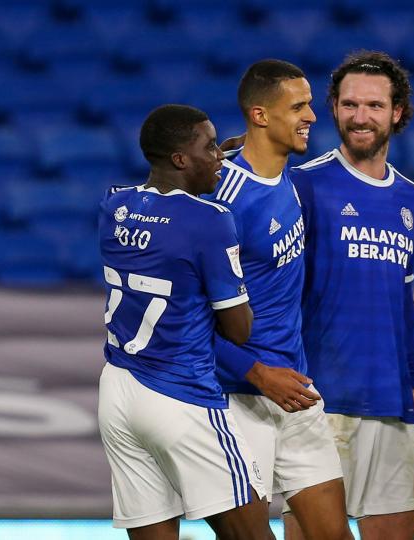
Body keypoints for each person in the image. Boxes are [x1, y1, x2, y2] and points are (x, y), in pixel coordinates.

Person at [97, 104, 274, 540]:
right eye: (209, 146)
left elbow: (164, 214)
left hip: (118, 390)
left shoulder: (114, 204)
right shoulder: (211, 221)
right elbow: (238, 330)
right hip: (181, 393)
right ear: (179, 159)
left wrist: (211, 160)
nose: (219, 155)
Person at [203, 60, 353, 540]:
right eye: (299, 106)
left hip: (295, 391)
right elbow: (185, 319)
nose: (312, 115)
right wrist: (257, 372)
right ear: (260, 115)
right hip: (234, 397)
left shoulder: (287, 180)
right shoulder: (219, 198)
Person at [286, 50, 414, 540]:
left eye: (373, 106)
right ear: (333, 108)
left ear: (397, 113)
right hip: (318, 401)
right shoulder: (303, 185)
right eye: (349, 105)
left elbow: (402, 302)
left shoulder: (411, 197)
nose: (360, 117)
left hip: (391, 400)